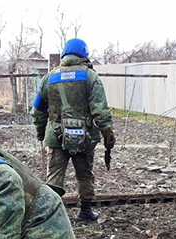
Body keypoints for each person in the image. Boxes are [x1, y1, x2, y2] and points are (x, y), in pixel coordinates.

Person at [32, 38, 116, 221]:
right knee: (84, 174)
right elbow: (100, 110)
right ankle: (85, 212)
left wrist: (41, 132)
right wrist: (107, 134)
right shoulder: (90, 76)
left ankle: (50, 217)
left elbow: (37, 110)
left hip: (55, 136)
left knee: (54, 176)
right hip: (83, 138)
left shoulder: (49, 78)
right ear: (84, 54)